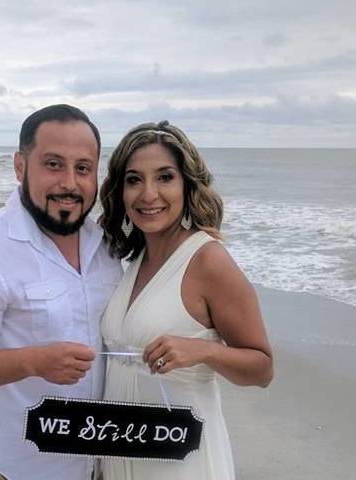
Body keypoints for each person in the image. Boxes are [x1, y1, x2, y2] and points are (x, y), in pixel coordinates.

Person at [0, 104, 122, 480]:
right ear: (21, 166)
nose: (69, 182)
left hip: (100, 460)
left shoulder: (108, 245)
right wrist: (33, 361)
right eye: (53, 164)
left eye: (83, 168)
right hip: (21, 466)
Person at [97, 121, 273, 479]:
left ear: (186, 184)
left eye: (164, 177)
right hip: (120, 456)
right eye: (134, 179)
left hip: (179, 464)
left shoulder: (209, 260)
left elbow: (262, 368)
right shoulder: (133, 262)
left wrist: (204, 351)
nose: (149, 194)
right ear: (121, 189)